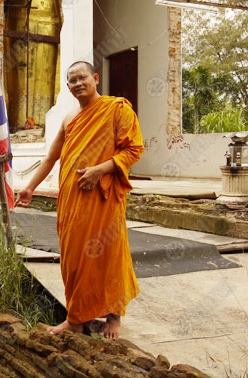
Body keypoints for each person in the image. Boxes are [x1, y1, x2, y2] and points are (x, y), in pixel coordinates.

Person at [15, 61, 144, 339]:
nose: (77, 84)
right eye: (71, 80)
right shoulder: (69, 118)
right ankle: (77, 317)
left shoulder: (117, 109)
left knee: (107, 254)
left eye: (82, 77)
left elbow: (133, 149)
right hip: (72, 201)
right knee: (75, 257)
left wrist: (100, 170)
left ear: (95, 78)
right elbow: (51, 157)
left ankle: (113, 317)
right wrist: (30, 187)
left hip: (103, 198)